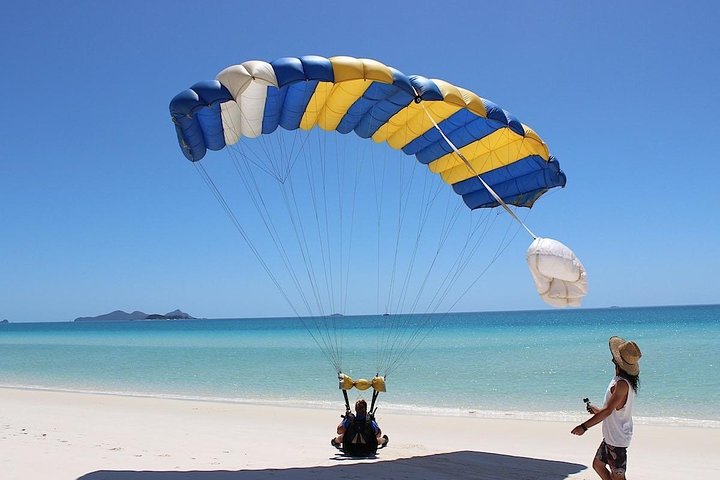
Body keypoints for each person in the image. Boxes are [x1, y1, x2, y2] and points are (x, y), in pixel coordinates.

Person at [571, 336, 642, 480]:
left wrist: (584, 427)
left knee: (618, 477)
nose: (612, 359)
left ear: (618, 361)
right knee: (598, 465)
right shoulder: (620, 380)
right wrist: (597, 410)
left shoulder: (622, 384)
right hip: (611, 437)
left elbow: (609, 410)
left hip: (617, 440)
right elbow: (614, 411)